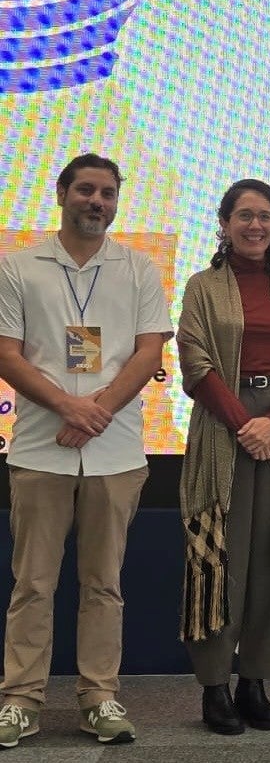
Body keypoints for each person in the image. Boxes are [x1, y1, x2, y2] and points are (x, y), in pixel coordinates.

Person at [0, 153, 172, 747]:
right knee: (33, 583)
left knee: (104, 584)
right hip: (40, 450)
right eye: (86, 190)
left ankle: (99, 697)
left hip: (116, 453)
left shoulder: (139, 269)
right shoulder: (19, 267)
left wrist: (93, 413)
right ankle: (21, 700)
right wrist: (70, 408)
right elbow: (6, 354)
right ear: (62, 194)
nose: (96, 201)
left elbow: (149, 354)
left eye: (107, 193)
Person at [176, 179, 270, 735]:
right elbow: (193, 359)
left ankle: (254, 683)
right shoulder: (202, 286)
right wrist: (245, 425)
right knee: (217, 561)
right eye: (244, 216)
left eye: (265, 217)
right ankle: (215, 689)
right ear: (225, 223)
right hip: (222, 427)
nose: (255, 226)